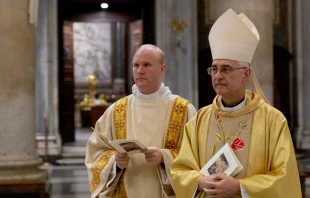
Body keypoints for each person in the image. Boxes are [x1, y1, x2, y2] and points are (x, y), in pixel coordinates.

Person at [170, 9, 301, 198]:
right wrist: (199, 181)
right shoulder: (199, 120)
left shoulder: (272, 120)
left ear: (246, 74)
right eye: (214, 69)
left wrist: (240, 187)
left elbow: (285, 177)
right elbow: (180, 169)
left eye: (226, 69)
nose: (218, 76)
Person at [85, 44, 197, 198]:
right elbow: (95, 152)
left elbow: (196, 155)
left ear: (162, 69)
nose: (140, 71)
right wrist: (114, 163)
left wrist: (164, 157)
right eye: (136, 65)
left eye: (147, 65)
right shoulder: (117, 110)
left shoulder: (183, 109)